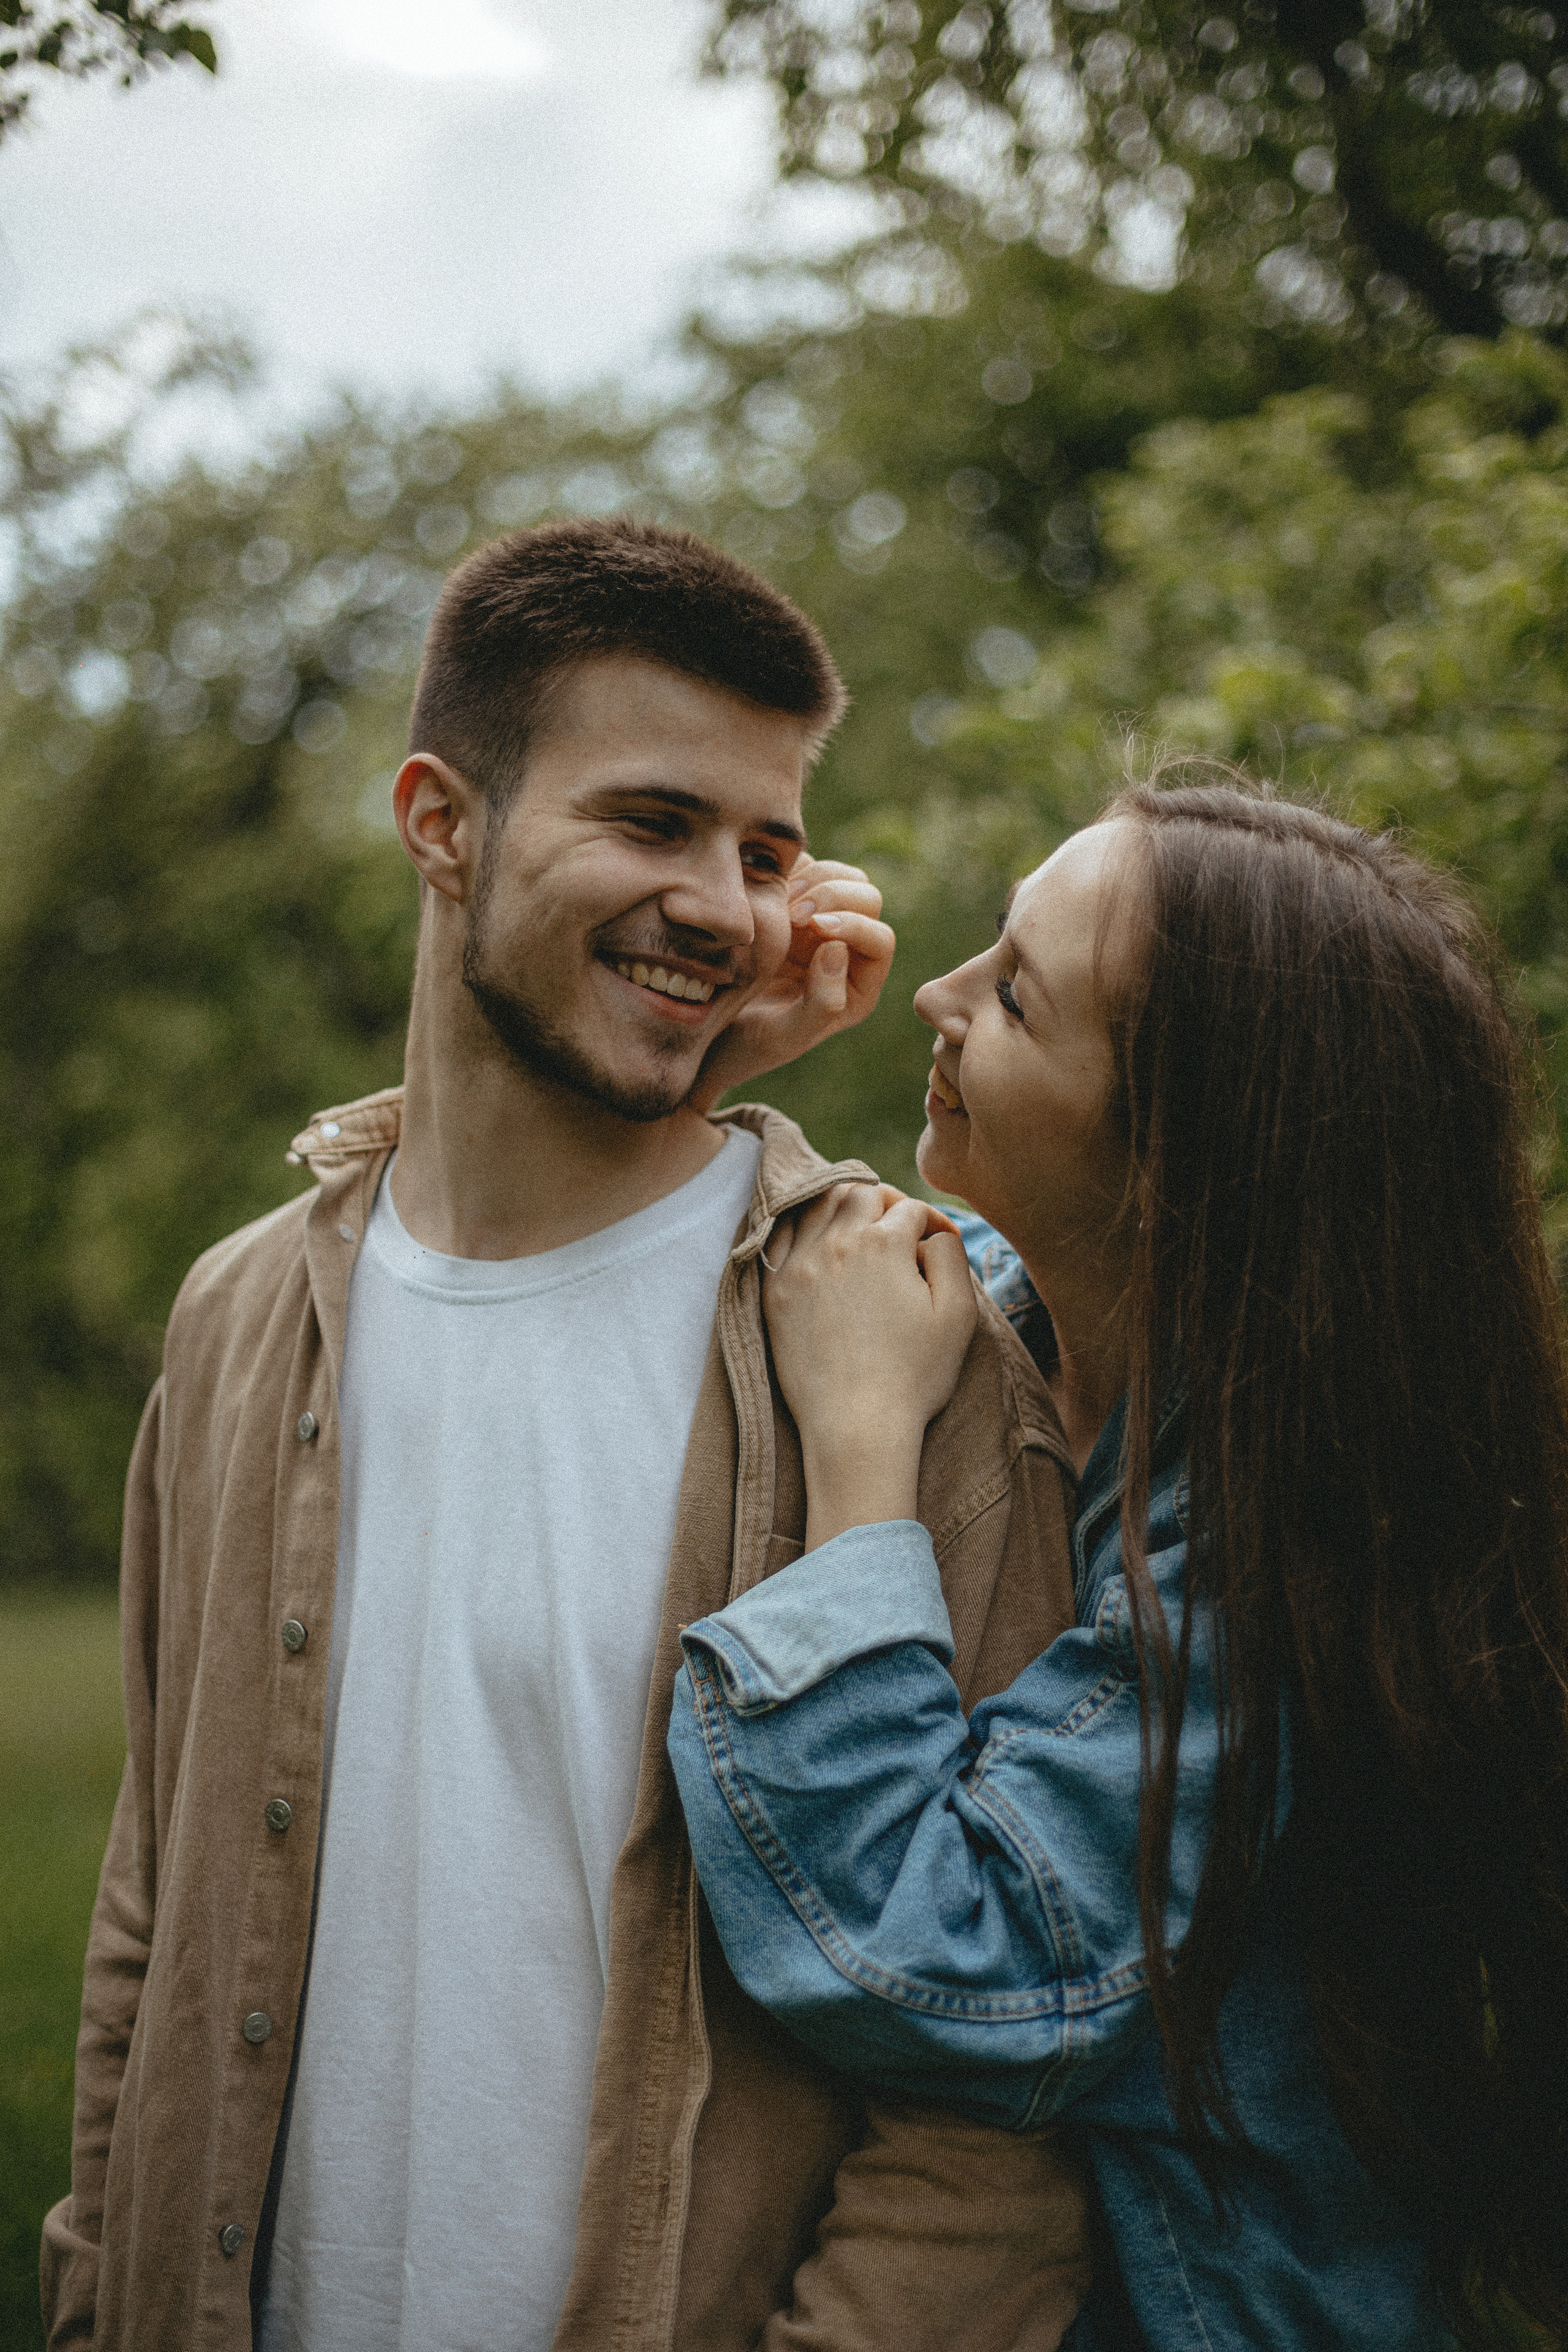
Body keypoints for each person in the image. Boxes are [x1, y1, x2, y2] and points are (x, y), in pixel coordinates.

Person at [41, 518, 1093, 2352]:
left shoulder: (892, 1343)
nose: (731, 906)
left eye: (769, 850)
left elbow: (995, 2086)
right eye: (653, 822)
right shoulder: (234, 1322)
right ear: (441, 823)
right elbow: (154, 1919)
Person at [669, 778, 1568, 2350]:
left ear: (1171, 1168)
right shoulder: (1024, 1320)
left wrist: (866, 1452)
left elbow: (939, 1955)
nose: (936, 995)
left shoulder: (1288, 1564)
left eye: (1013, 994)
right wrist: (708, 1061)